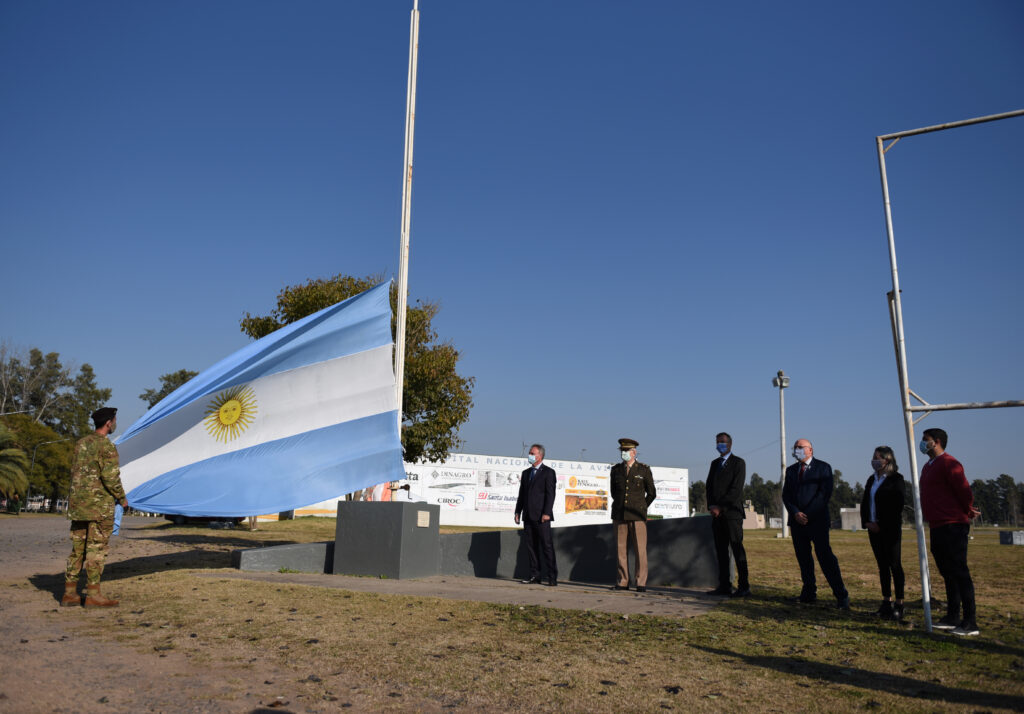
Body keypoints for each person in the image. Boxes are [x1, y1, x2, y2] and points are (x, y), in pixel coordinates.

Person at [63, 407, 128, 608]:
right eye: (114, 420)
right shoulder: (107, 447)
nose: (115, 423)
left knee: (78, 550)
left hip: (78, 506)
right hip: (99, 508)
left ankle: (69, 593)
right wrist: (122, 499)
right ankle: (93, 594)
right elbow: (110, 477)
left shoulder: (81, 444)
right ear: (109, 423)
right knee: (96, 550)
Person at [919, 427, 980, 636]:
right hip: (936, 524)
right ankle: (952, 615)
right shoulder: (928, 466)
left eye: (925, 439)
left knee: (960, 571)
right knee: (947, 572)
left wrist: (967, 509)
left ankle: (970, 621)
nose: (921, 442)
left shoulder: (950, 463)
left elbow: (963, 490)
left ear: (936, 441)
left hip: (953, 523)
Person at [782, 438, 850, 609]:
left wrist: (807, 514)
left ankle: (841, 595)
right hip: (797, 523)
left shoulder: (823, 468)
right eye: (795, 447)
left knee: (825, 558)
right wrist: (796, 513)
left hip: (817, 521)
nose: (797, 449)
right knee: (804, 559)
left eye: (800, 447)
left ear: (810, 450)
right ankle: (808, 593)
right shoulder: (790, 471)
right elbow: (786, 496)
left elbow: (824, 495)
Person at [859, 446, 906, 620]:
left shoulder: (897, 479)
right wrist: (867, 522)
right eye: (874, 457)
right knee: (882, 566)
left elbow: (897, 506)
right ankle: (886, 601)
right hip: (873, 529)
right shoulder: (872, 479)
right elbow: (865, 502)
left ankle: (899, 603)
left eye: (879, 457)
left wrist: (881, 524)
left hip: (889, 530)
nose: (875, 460)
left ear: (888, 460)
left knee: (895, 565)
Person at [609, 438, 657, 592]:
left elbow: (651, 493)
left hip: (637, 515)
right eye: (622, 451)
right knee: (620, 549)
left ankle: (640, 582)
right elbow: (614, 492)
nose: (623, 453)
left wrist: (642, 507)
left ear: (634, 452)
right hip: (620, 514)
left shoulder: (643, 470)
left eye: (626, 451)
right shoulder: (616, 470)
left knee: (640, 550)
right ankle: (623, 581)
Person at [705, 433, 749, 597]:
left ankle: (744, 586)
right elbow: (709, 487)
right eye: (717, 442)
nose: (719, 445)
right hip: (716, 516)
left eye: (722, 442)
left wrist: (721, 507)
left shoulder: (738, 463)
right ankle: (724, 585)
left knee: (737, 550)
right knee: (721, 551)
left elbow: (736, 490)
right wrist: (711, 505)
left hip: (732, 514)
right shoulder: (714, 464)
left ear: (730, 444)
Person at [514, 444, 557, 586]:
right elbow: (522, 495)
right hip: (528, 516)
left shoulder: (548, 472)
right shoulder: (526, 473)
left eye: (532, 453)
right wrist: (517, 511)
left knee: (546, 546)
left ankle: (552, 577)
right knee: (531, 548)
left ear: (540, 456)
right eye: (529, 453)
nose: (529, 455)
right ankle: (535, 575)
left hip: (542, 517)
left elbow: (550, 495)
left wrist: (546, 513)